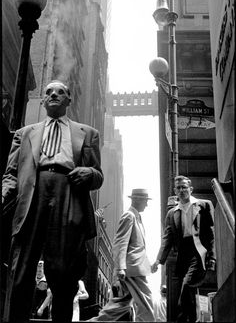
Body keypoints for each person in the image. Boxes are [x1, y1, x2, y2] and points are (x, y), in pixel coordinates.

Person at [2, 80, 103, 323]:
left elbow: (98, 176)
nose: (54, 95)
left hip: (68, 191)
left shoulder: (88, 133)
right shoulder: (24, 134)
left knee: (62, 271)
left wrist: (88, 173)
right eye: (48, 92)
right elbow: (10, 173)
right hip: (32, 195)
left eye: (61, 92)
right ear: (44, 99)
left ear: (69, 100)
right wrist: (4, 193)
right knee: (22, 268)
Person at [151, 175, 216, 323]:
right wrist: (158, 260)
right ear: (175, 190)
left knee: (186, 289)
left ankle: (181, 320)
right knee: (190, 296)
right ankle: (192, 320)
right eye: (178, 188)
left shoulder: (204, 205)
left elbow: (211, 234)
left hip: (198, 252)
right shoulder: (172, 213)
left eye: (184, 187)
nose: (181, 190)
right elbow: (167, 239)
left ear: (191, 189)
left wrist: (212, 257)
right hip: (183, 255)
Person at [87, 188, 155, 322]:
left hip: (135, 267)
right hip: (133, 269)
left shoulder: (137, 217)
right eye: (145, 201)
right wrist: (120, 267)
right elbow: (120, 243)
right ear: (136, 200)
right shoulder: (129, 216)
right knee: (146, 304)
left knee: (120, 304)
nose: (146, 204)